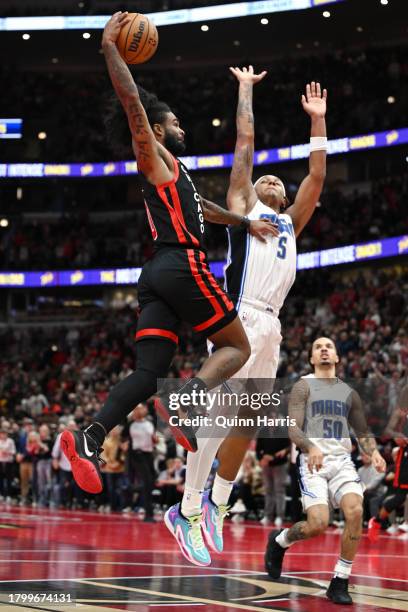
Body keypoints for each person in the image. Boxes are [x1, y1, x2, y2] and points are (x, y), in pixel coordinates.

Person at [60, 12, 278, 495]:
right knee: (237, 347)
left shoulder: (175, 173)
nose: (180, 125)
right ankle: (188, 401)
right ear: (155, 131)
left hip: (157, 272)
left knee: (147, 372)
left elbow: (203, 209)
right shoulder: (153, 155)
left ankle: (89, 435)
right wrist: (111, 49)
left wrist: (244, 222)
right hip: (182, 264)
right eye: (173, 121)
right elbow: (132, 102)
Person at [165, 66, 328, 566]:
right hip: (240, 319)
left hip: (272, 324)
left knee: (247, 423)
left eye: (280, 179)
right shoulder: (244, 208)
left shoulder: (292, 222)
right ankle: (186, 509)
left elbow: (317, 176)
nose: (274, 179)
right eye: (267, 178)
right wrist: (244, 89)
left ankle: (214, 504)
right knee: (218, 417)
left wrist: (317, 123)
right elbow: (245, 143)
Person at [264, 337, 386, 605]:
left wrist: (373, 452)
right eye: (318, 347)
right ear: (311, 359)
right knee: (318, 524)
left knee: (355, 510)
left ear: (337, 357)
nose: (324, 350)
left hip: (342, 460)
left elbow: (363, 431)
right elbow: (293, 428)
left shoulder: (349, 392)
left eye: (329, 346)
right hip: (312, 462)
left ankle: (340, 580)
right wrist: (310, 446)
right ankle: (281, 540)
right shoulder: (303, 386)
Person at [368, 384, 408, 537]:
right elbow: (388, 430)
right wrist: (397, 435)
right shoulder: (400, 411)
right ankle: (377, 520)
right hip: (404, 457)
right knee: (400, 496)